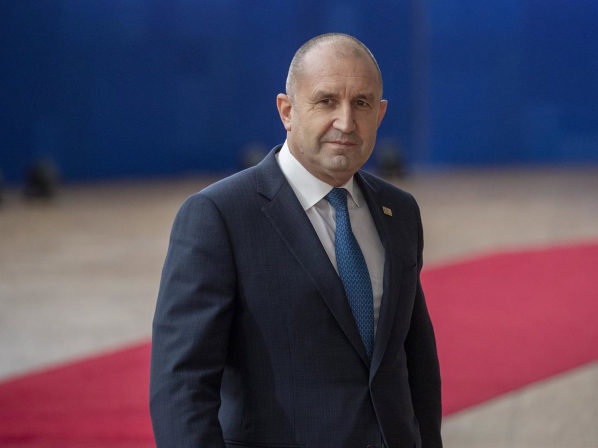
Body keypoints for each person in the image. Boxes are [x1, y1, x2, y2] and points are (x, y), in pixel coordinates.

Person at [150, 33, 442, 448]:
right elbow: (181, 386)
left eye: (361, 104)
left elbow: (416, 362)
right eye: (326, 101)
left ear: (379, 114)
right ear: (287, 111)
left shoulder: (399, 211)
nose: (346, 122)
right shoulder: (220, 216)